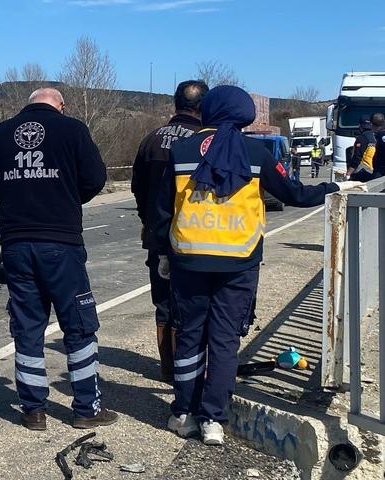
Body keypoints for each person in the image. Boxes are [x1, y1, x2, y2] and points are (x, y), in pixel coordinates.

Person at [153, 85, 365, 446]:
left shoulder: (181, 150)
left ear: (209, 111)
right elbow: (294, 193)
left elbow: (161, 210)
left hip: (189, 258)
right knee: (223, 341)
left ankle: (183, 413)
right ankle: (213, 421)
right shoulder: (256, 152)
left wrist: (162, 253)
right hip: (238, 261)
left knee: (189, 338)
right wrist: (335, 188)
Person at [0, 87, 117, 431]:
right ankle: (86, 407)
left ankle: (33, 410)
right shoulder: (72, 130)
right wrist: (67, 195)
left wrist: (16, 197)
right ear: (61, 106)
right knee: (79, 325)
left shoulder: (0, 134)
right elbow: (95, 179)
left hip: (16, 243)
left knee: (27, 326)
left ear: (29, 104)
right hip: (61, 243)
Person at [131, 80, 209, 382]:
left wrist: (148, 222)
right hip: (193, 236)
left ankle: (167, 369)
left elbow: (138, 188)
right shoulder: (202, 141)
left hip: (157, 236)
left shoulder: (152, 139)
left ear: (175, 104)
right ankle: (186, 372)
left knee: (162, 303)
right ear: (203, 107)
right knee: (191, 305)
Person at [347, 115, 376, 181]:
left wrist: (349, 173)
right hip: (376, 172)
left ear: (360, 126)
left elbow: (357, 157)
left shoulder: (362, 138)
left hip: (363, 172)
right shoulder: (377, 136)